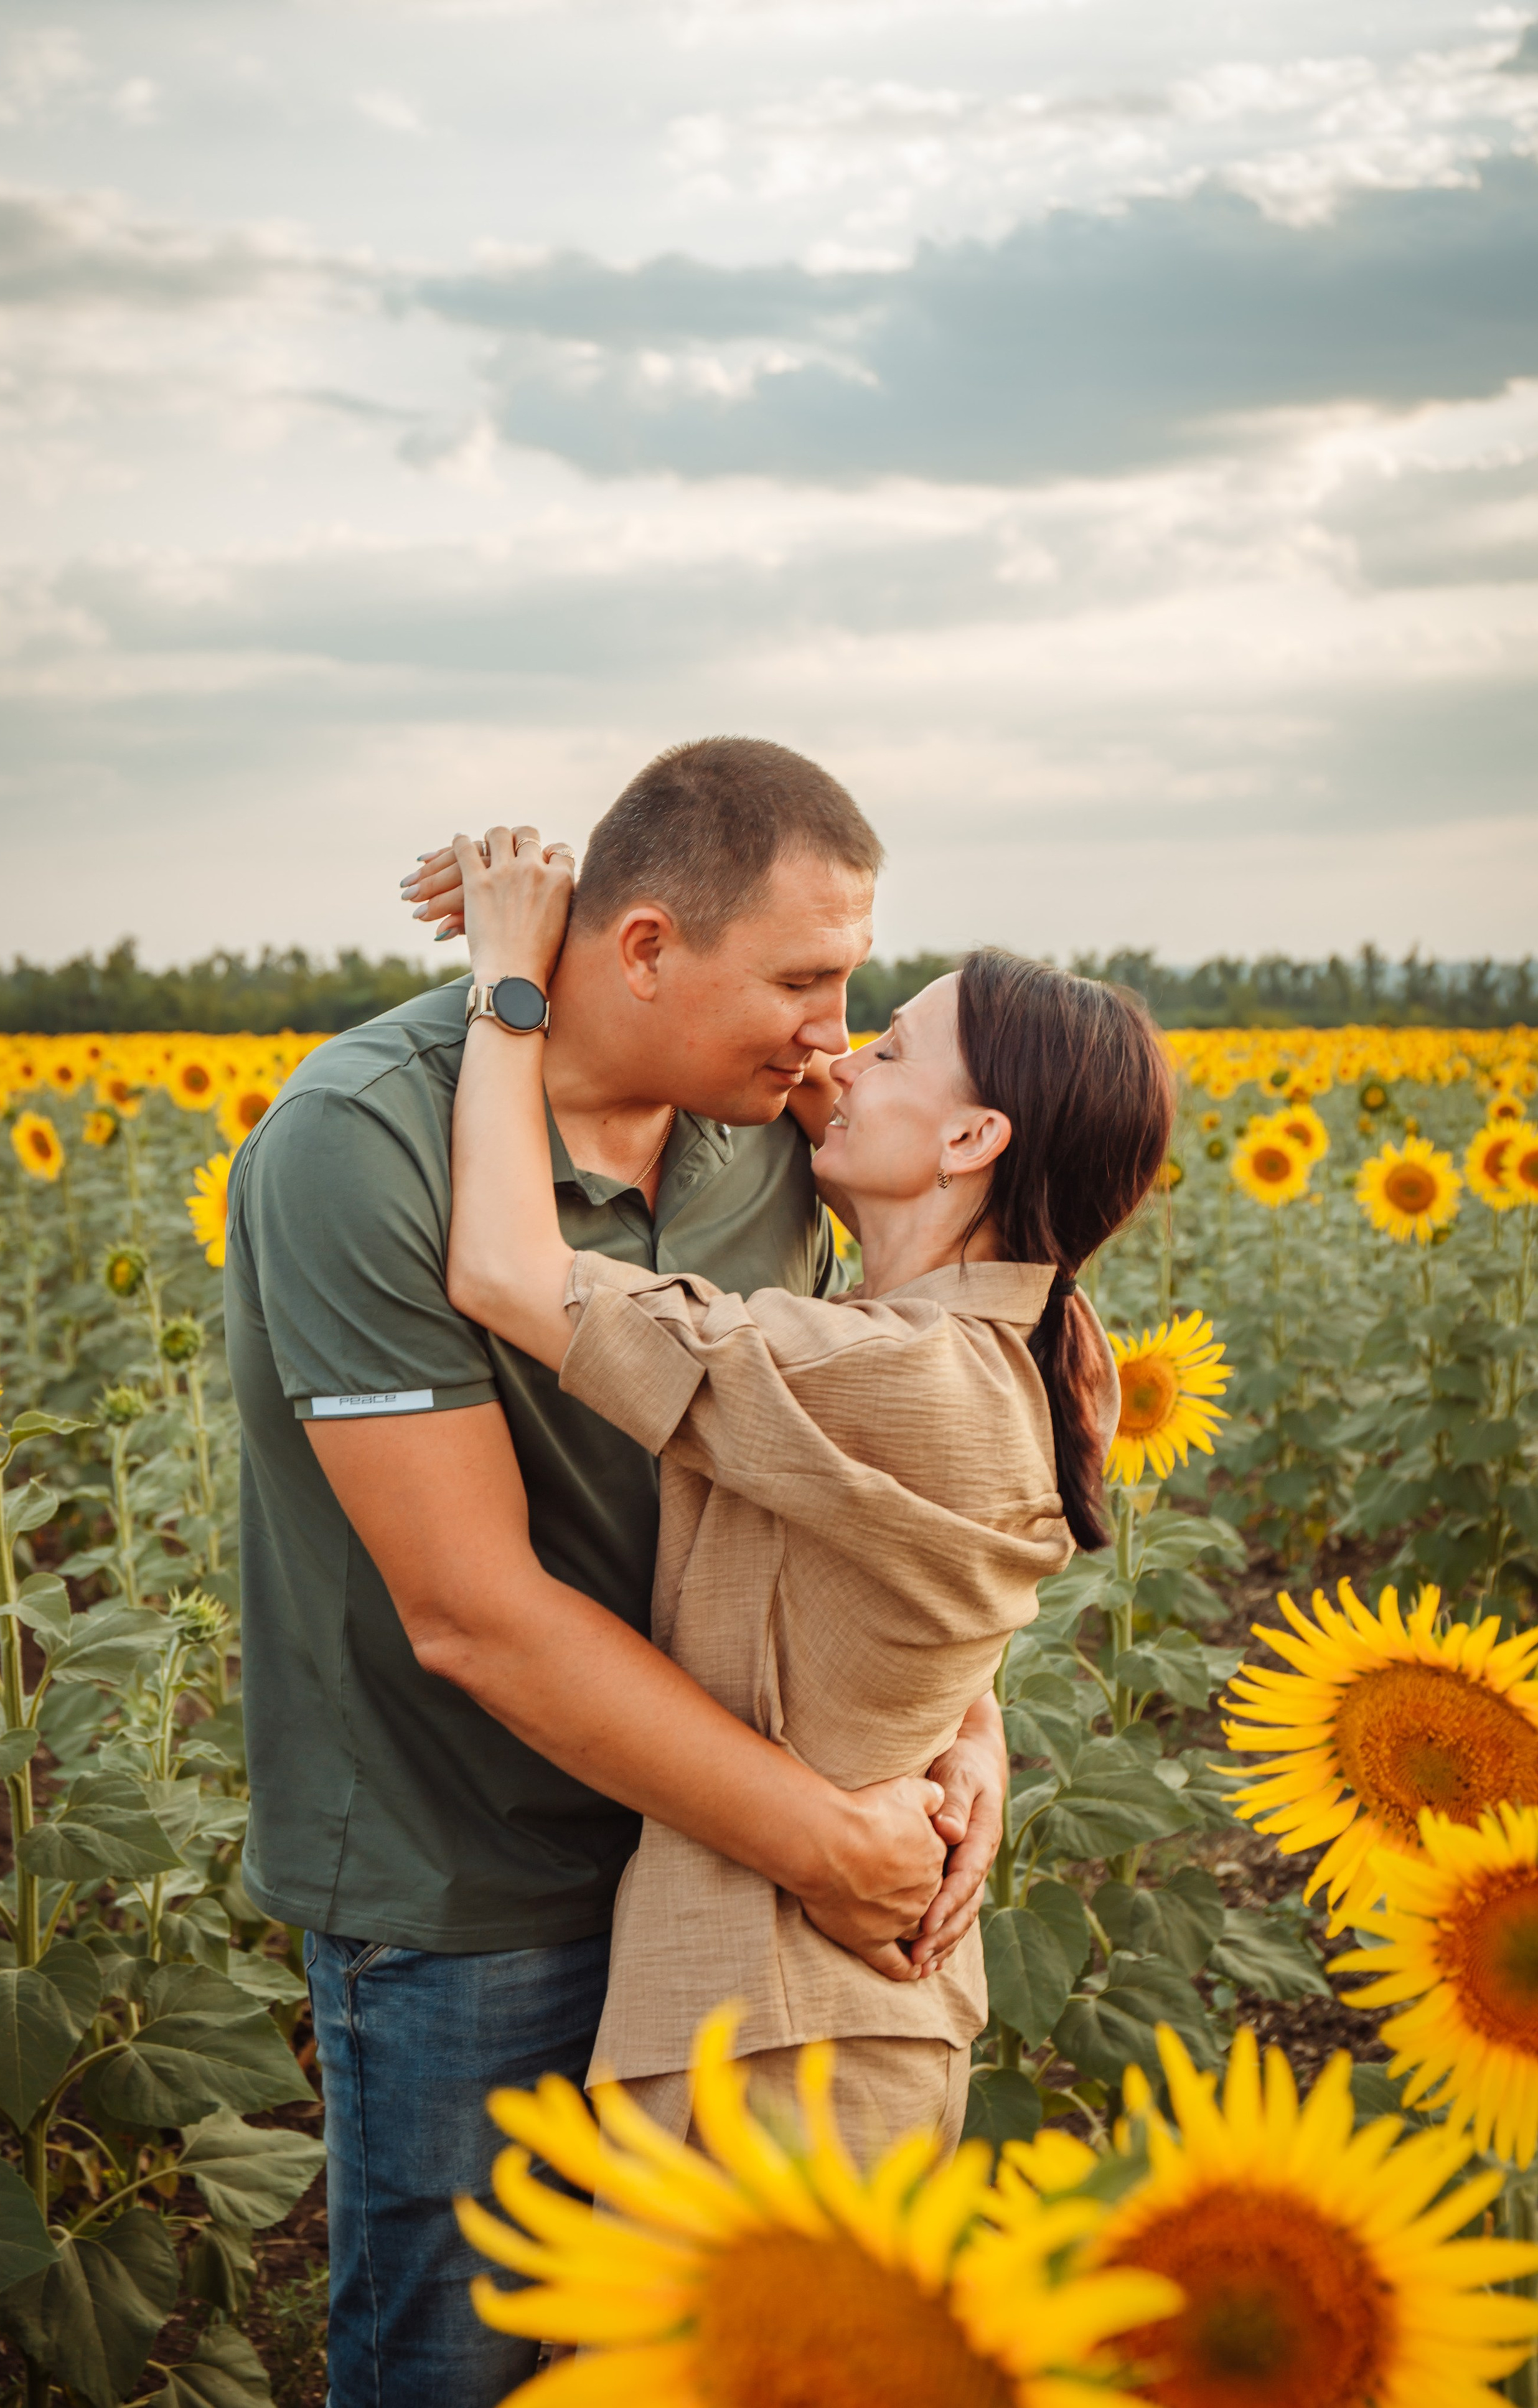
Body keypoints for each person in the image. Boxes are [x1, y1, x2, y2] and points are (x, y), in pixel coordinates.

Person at [222, 738, 1007, 2408]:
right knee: (469, 2358)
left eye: (854, 972)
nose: (836, 1023)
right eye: (804, 972)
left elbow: (881, 1453)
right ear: (645, 948)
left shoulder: (780, 1128)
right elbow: (472, 1612)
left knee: (703, 2353)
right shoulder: (362, 1147)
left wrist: (968, 1732)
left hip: (720, 1861)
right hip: (474, 1875)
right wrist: (831, 1838)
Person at [441, 822, 1176, 2158]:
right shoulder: (1047, 1339)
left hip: (773, 2042)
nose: (834, 1056)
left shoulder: (887, 1373)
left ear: (970, 1135)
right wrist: (628, 923)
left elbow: (501, 1264)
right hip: (825, 2024)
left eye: (885, 1047)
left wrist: (514, 973)